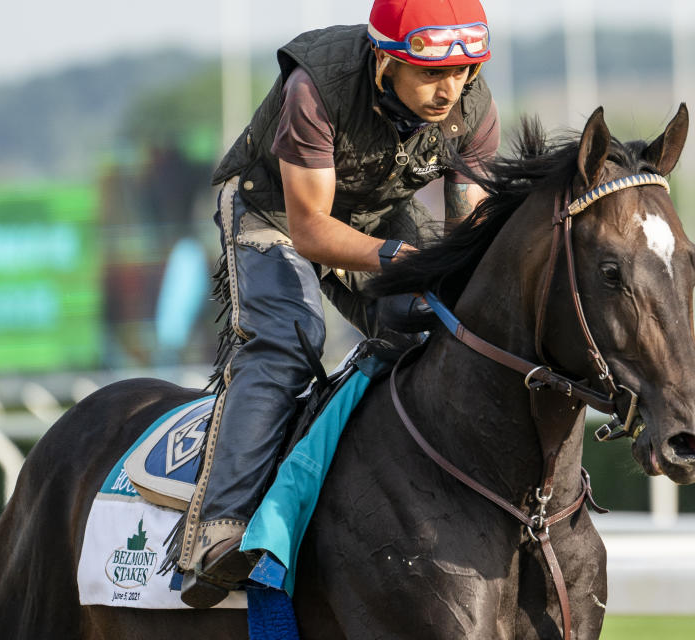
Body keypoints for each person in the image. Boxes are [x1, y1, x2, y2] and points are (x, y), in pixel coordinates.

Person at [178, 0, 500, 608]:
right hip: (275, 214)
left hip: (377, 215)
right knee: (291, 343)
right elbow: (311, 231)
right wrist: (399, 259)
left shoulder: (473, 108)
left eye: (461, 72)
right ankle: (219, 532)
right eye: (430, 73)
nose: (448, 90)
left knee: (443, 323)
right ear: (384, 63)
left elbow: (471, 230)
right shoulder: (314, 88)